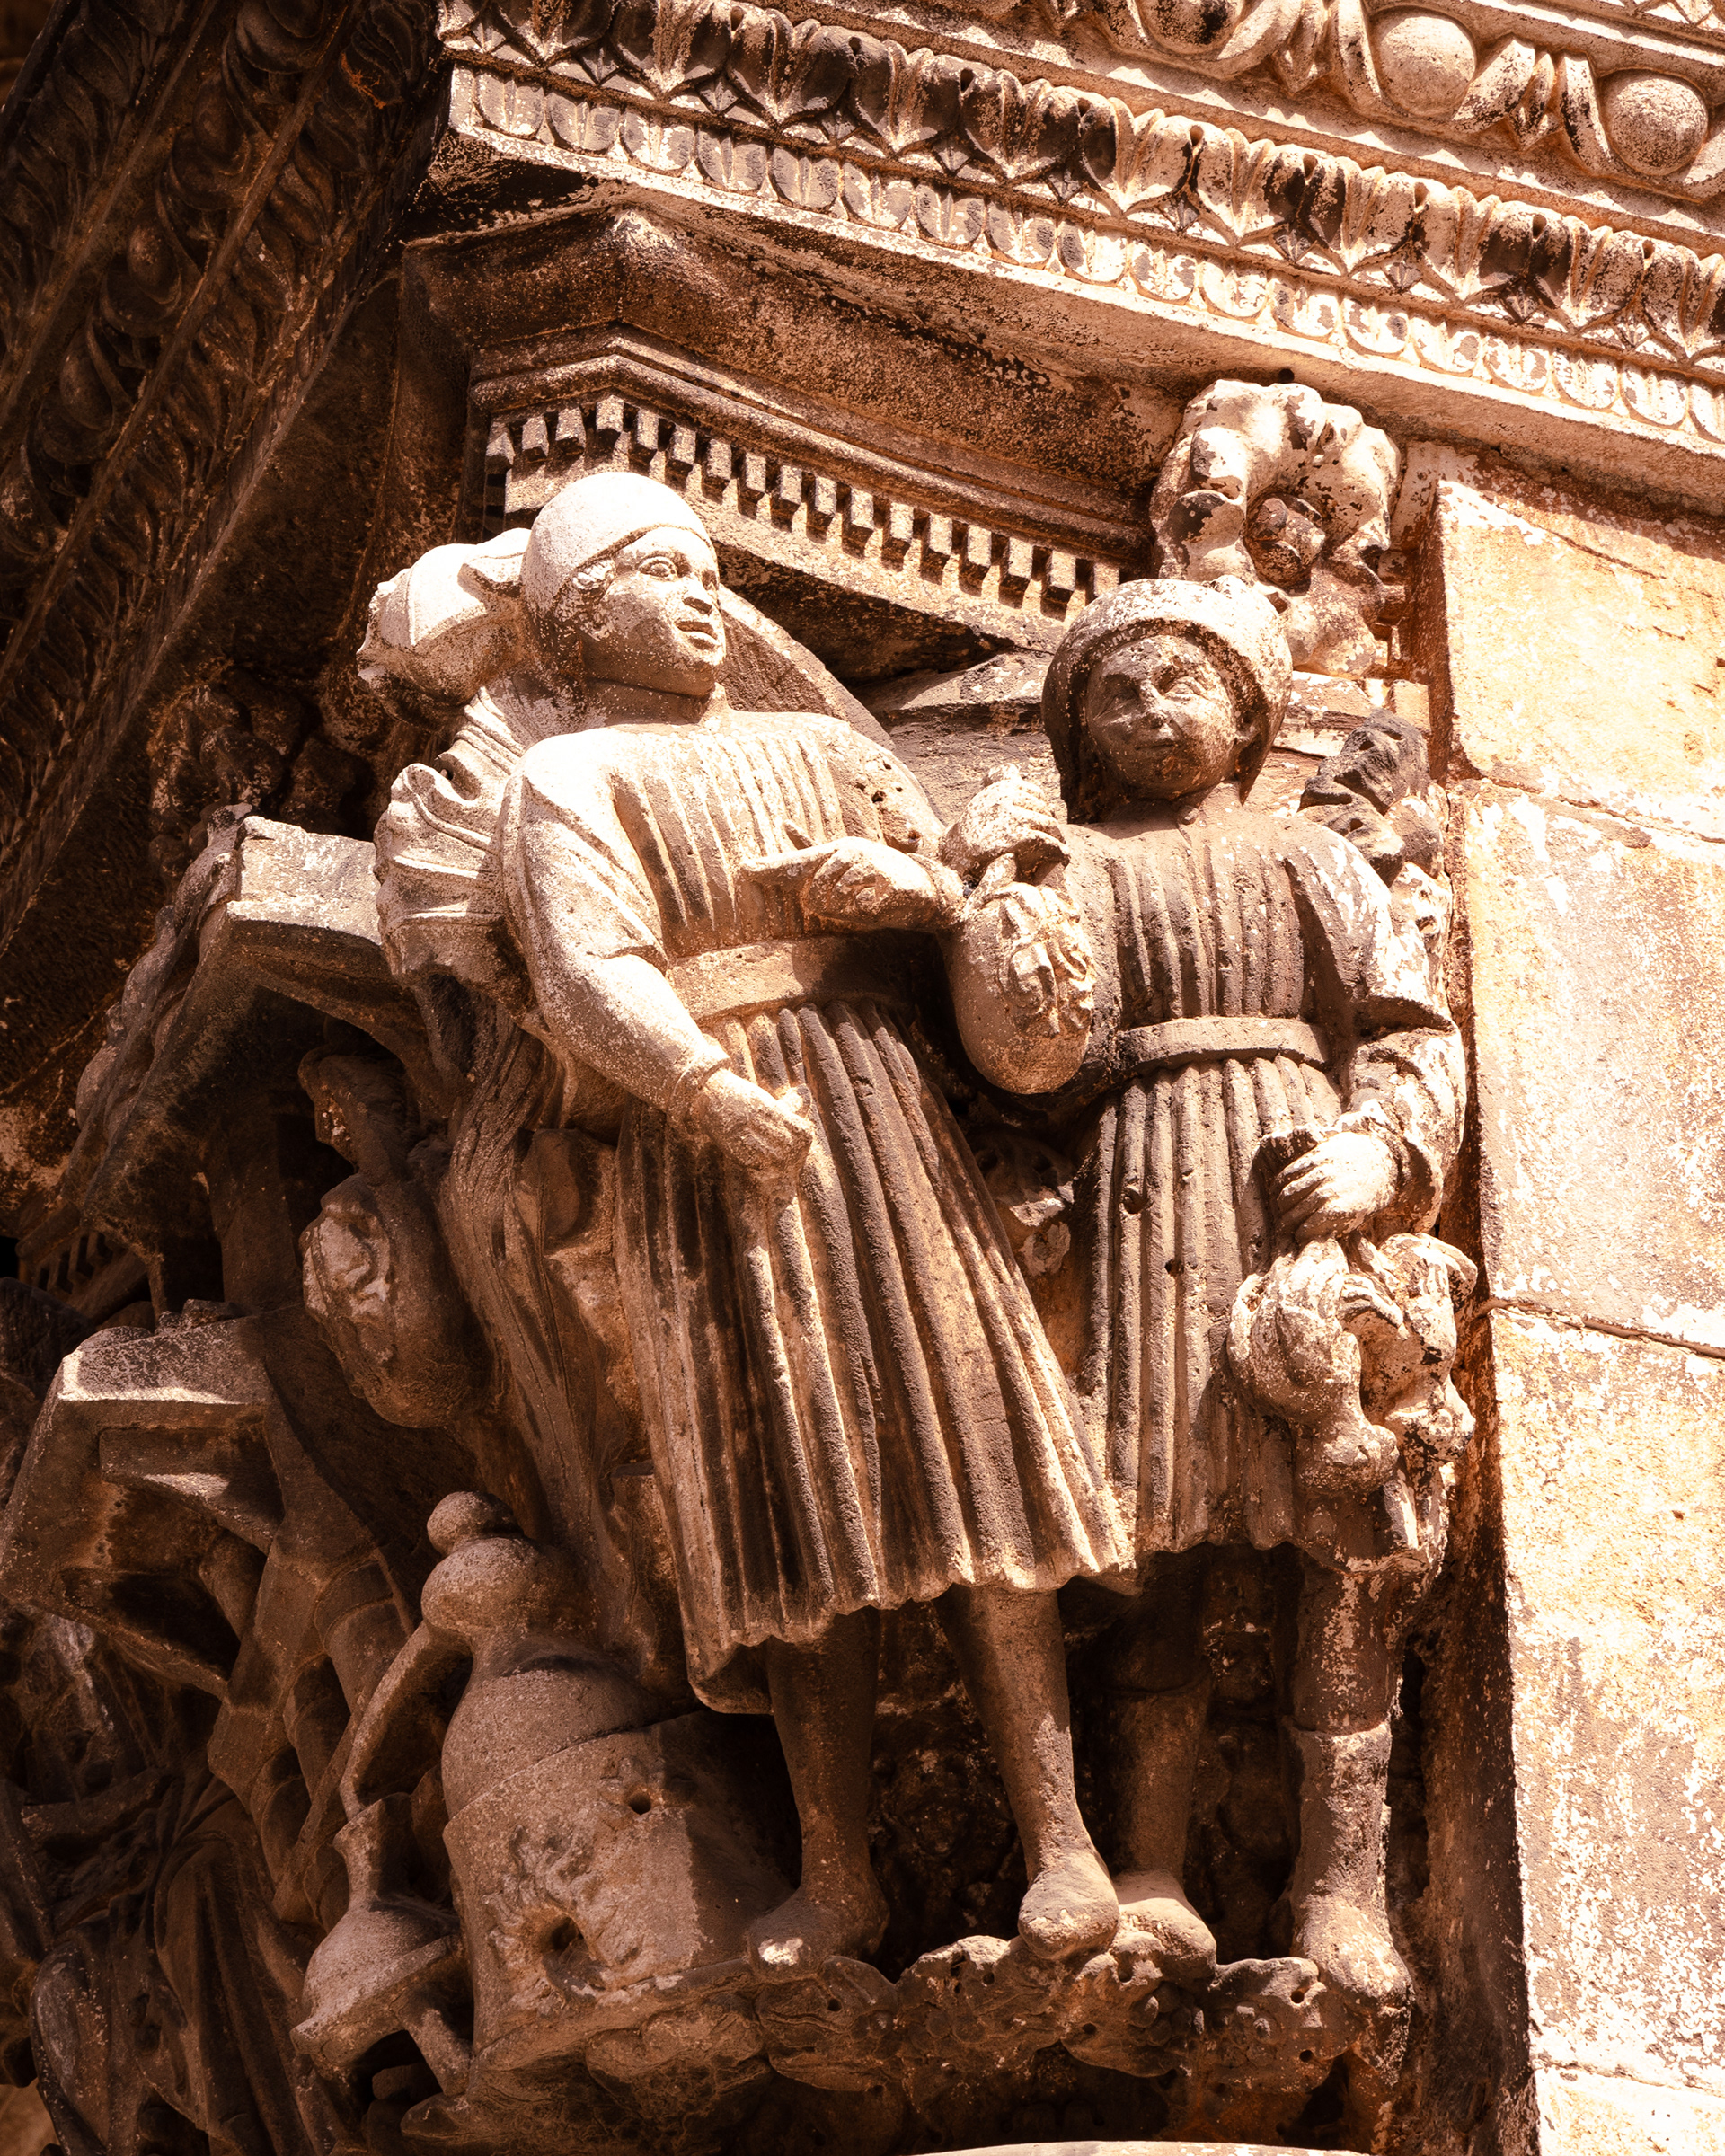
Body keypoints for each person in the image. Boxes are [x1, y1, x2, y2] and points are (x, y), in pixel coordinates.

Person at [374, 471, 1131, 1974]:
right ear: (580, 625)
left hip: (883, 1111)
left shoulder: (824, 751)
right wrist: (704, 1086)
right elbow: (587, 968)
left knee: (976, 1450)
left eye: (708, 574)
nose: (702, 602)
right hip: (718, 1154)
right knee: (778, 1491)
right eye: (659, 580)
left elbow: (966, 919)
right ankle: (836, 1874)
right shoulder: (571, 780)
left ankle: (1066, 1843)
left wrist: (911, 892)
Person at [1020, 578, 1465, 2013]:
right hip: (1136, 1197)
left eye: (1184, 681)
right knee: (1155, 1545)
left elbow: (1404, 1027)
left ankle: (1340, 1880)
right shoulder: (1076, 870)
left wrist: (1380, 1149)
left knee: (1342, 1549)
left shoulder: (1311, 859)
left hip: (1292, 1202)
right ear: (1080, 734)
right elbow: (1024, 1055)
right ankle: (1149, 1866)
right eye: (1119, 693)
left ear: (1251, 711)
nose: (1156, 711)